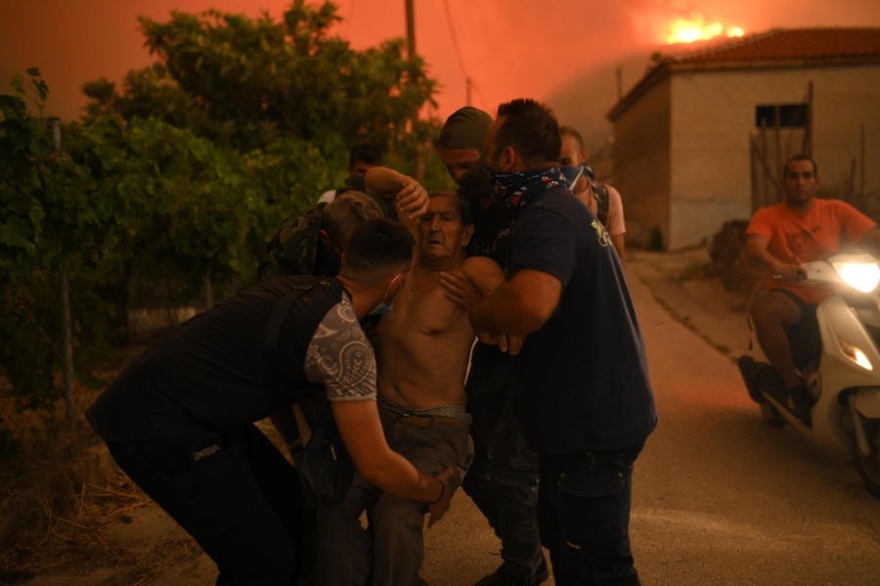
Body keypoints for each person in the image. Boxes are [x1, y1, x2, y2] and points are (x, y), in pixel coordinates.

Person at [86, 218, 454, 586]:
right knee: (262, 561)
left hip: (201, 414)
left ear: (345, 260)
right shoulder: (344, 342)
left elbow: (267, 373)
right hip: (155, 424)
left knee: (301, 517)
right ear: (395, 284)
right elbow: (376, 465)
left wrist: (300, 445)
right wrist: (434, 490)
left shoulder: (298, 288)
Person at [466, 98, 657, 586]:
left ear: (507, 158)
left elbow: (531, 304)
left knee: (598, 567)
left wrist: (481, 313)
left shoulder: (546, 216)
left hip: (590, 427)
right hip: (588, 419)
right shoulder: (566, 206)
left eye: (489, 154)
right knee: (572, 549)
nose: (486, 167)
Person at [316, 190, 505, 585]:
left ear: (467, 232)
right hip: (376, 421)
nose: (435, 226)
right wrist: (406, 185)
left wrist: (484, 308)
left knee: (395, 515)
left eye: (448, 219)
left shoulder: (475, 272)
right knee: (330, 505)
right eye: (428, 218)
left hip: (435, 430)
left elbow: (512, 315)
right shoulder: (403, 263)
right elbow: (377, 179)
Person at [437, 106, 548, 585]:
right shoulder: (463, 211)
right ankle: (527, 548)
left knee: (511, 466)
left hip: (535, 354)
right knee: (473, 461)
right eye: (451, 168)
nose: (460, 176)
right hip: (488, 351)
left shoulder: (525, 203)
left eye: (468, 165)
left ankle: (523, 567)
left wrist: (494, 292)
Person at [743, 154, 880, 423]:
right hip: (794, 293)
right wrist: (776, 263)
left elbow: (873, 234)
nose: (800, 182)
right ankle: (794, 388)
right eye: (793, 176)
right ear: (785, 182)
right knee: (764, 312)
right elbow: (754, 246)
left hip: (838, 290)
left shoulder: (835, 209)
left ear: (816, 182)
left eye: (806, 176)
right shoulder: (769, 216)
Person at [558, 125, 627, 262]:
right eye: (554, 164)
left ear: (583, 157)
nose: (559, 170)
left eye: (566, 162)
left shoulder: (607, 198)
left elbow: (618, 260)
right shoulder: (545, 200)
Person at [317, 142, 385, 204]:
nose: (365, 177)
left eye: (371, 172)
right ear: (350, 170)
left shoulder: (387, 205)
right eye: (361, 171)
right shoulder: (330, 198)